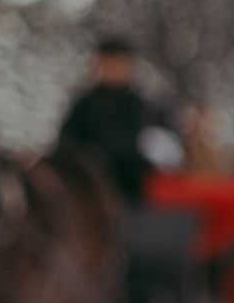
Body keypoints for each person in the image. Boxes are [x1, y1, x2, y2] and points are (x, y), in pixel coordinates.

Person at [58, 37, 170, 204]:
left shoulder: (139, 105)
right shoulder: (85, 104)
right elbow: (66, 137)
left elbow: (139, 144)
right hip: (85, 178)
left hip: (125, 184)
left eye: (116, 64)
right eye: (106, 63)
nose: (111, 69)